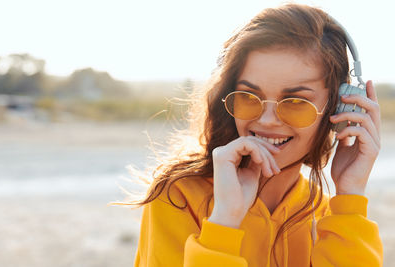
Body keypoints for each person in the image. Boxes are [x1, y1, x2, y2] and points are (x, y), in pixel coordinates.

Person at [128, 3, 383, 266]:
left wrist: (351, 194)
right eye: (249, 96)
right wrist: (224, 222)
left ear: (339, 108)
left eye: (296, 101)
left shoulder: (327, 214)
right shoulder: (177, 195)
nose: (267, 120)